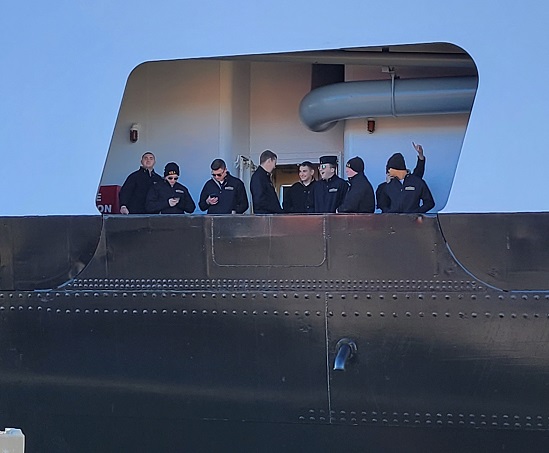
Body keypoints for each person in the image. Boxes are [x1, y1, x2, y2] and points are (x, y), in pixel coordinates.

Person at [376, 144, 435, 213]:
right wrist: (390, 213)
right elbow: (382, 205)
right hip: (393, 221)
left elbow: (429, 203)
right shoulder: (386, 186)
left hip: (412, 221)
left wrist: (416, 213)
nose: (388, 172)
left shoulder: (416, 182)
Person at [250, 150, 283, 214]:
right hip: (265, 217)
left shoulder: (263, 176)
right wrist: (276, 210)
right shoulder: (258, 177)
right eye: (274, 163)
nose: (274, 167)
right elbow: (259, 200)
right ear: (269, 160)